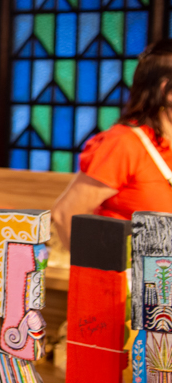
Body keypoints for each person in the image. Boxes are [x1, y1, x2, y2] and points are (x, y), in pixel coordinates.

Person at [53, 39, 172, 248]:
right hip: (131, 267)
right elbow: (66, 215)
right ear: (166, 90)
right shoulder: (124, 143)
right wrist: (98, 266)